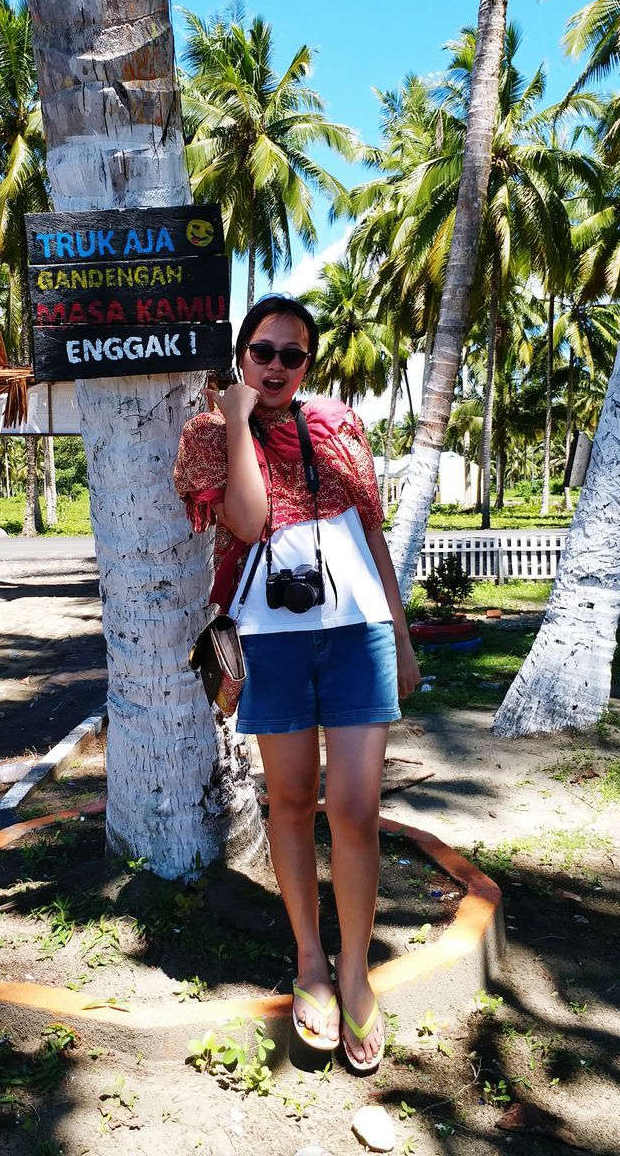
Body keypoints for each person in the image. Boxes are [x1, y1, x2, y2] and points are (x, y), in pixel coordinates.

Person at [174, 294, 421, 1072]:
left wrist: (404, 638)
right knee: (289, 801)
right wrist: (241, 418)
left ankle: (354, 973)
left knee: (354, 808)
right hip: (270, 645)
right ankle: (310, 962)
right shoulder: (212, 435)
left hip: (358, 633)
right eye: (263, 351)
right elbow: (248, 522)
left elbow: (371, 533)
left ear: (309, 364)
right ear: (240, 357)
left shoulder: (342, 423)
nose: (277, 365)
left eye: (292, 355)